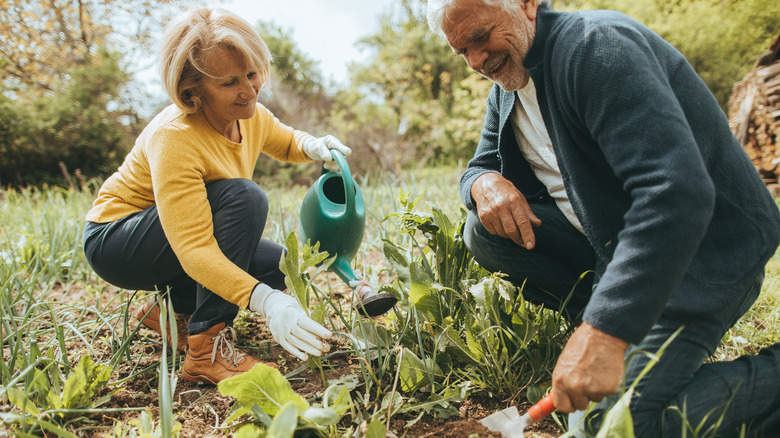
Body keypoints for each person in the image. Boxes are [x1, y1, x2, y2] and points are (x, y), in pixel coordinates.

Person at [426, 0, 780, 436]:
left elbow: (676, 193)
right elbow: (478, 166)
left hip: (699, 253)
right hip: (613, 248)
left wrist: (606, 331)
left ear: (527, 4)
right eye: (462, 51)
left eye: (480, 37)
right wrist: (482, 184)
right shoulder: (508, 90)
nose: (476, 61)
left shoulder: (595, 49)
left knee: (605, 424)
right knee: (482, 230)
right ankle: (619, 334)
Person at [82, 7, 351, 385]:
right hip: (118, 240)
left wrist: (315, 146)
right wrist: (265, 302)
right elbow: (193, 249)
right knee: (244, 198)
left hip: (167, 238)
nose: (249, 90)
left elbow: (286, 140)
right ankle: (205, 349)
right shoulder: (175, 137)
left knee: (277, 266)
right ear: (192, 89)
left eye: (252, 74)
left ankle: (170, 311)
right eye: (229, 83)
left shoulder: (248, 114)